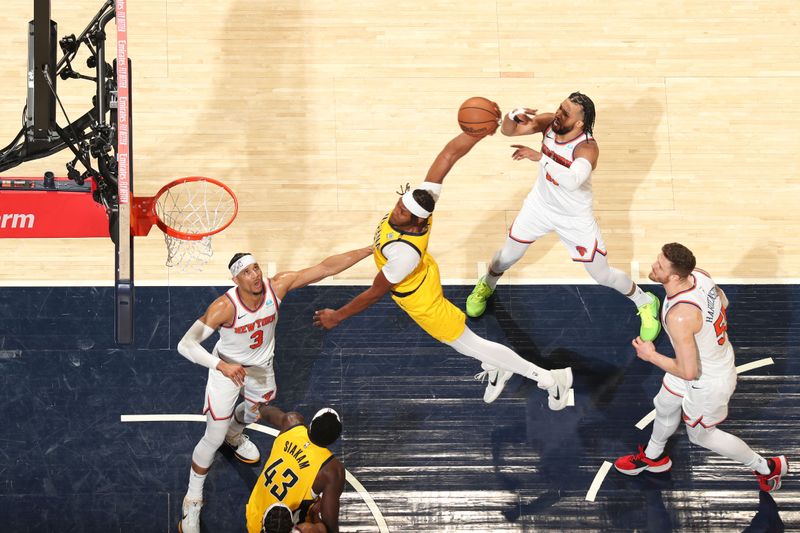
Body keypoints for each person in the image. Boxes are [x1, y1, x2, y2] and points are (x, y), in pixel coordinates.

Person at [312, 124, 573, 407]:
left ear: (417, 222)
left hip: (421, 300)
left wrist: (338, 316)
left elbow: (374, 293)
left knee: (467, 343)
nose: (396, 211)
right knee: (469, 345)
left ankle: (549, 378)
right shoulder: (421, 204)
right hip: (423, 273)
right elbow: (448, 155)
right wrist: (474, 134)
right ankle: (499, 366)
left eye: (402, 212)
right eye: (399, 204)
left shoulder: (403, 254)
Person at [177, 247, 372, 533]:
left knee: (254, 413)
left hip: (260, 370)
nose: (255, 275)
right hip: (226, 370)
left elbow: (326, 267)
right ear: (236, 280)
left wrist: (370, 249)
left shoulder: (277, 286)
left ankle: (234, 435)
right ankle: (192, 502)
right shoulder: (225, 307)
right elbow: (186, 344)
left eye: (255, 268)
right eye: (246, 272)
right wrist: (221, 366)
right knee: (212, 435)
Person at [465, 92, 661, 342]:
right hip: (540, 206)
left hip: (574, 217)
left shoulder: (587, 147)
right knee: (506, 256)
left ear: (580, 123)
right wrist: (511, 116)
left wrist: (540, 158)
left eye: (566, 112)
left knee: (601, 275)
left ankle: (645, 301)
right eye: (561, 107)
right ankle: (487, 286)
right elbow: (508, 132)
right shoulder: (549, 123)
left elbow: (572, 181)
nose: (559, 113)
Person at [614, 243, 788, 492]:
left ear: (674, 276)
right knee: (664, 404)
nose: (653, 265)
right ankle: (653, 457)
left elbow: (689, 372)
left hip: (707, 380)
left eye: (660, 265)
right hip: (698, 359)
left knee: (702, 436)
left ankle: (766, 467)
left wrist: (650, 355)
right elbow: (722, 301)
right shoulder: (700, 276)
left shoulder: (680, 316)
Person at [247, 404, 344, 533]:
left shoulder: (291, 422)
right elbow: (329, 522)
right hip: (287, 529)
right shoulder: (331, 470)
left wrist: (260, 407)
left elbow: (268, 412)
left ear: (310, 426)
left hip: (254, 518)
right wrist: (316, 518)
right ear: (333, 439)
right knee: (320, 528)